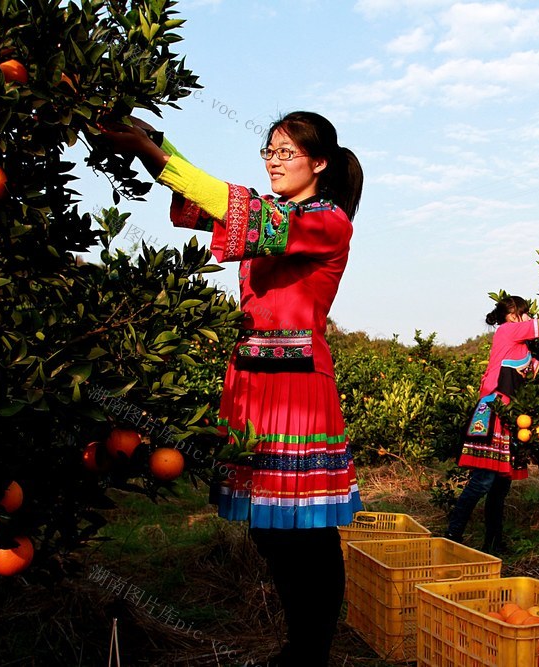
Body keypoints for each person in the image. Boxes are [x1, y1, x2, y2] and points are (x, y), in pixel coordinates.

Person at [96, 111, 363, 666]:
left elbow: (231, 204)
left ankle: (310, 651)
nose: (273, 160)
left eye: (287, 151)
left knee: (304, 532)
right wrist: (153, 141)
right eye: (269, 150)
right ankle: (300, 645)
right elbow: (206, 202)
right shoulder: (276, 213)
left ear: (320, 163)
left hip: (296, 393)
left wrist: (150, 148)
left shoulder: (327, 220)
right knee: (269, 530)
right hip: (251, 386)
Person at [446, 295, 539, 553]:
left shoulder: (524, 351)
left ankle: (493, 544)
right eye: (527, 313)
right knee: (483, 480)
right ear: (514, 315)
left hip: (511, 418)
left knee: (499, 486)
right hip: (494, 412)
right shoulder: (508, 331)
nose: (530, 318)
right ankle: (452, 535)